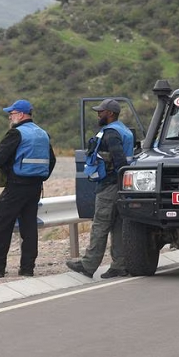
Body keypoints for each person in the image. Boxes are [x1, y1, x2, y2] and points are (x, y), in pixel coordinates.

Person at [0, 99, 56, 278]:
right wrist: (41, 176)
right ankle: (27, 268)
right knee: (29, 227)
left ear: (21, 115)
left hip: (16, 186)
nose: (9, 118)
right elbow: (52, 161)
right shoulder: (43, 134)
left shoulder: (16, 134)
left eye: (11, 114)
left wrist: (6, 170)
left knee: (3, 225)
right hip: (35, 187)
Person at [67, 98, 134, 279]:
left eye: (101, 111)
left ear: (110, 113)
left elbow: (118, 160)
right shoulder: (124, 130)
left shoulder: (111, 133)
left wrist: (115, 180)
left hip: (110, 185)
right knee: (118, 226)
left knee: (100, 225)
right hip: (121, 186)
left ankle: (88, 266)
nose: (98, 114)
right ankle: (120, 265)